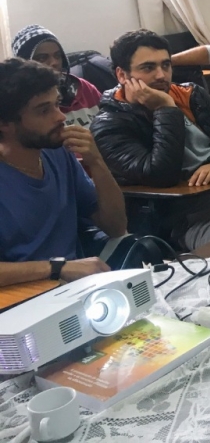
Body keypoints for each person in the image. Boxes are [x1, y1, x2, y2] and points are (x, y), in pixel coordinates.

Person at [91, 30, 210, 250]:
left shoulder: (190, 94)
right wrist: (165, 109)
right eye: (148, 68)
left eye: (166, 65)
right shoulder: (109, 125)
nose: (161, 75)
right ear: (121, 75)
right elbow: (160, 174)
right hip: (198, 214)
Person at [0, 58, 127, 287]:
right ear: (5, 124)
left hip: (75, 289)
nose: (60, 117)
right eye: (43, 110)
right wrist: (57, 268)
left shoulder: (57, 152)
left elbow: (116, 227)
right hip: (21, 300)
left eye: (57, 104)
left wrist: (96, 161)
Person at [12, 24, 103, 129]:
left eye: (57, 56)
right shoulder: (22, 101)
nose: (54, 62)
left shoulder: (84, 88)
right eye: (42, 58)